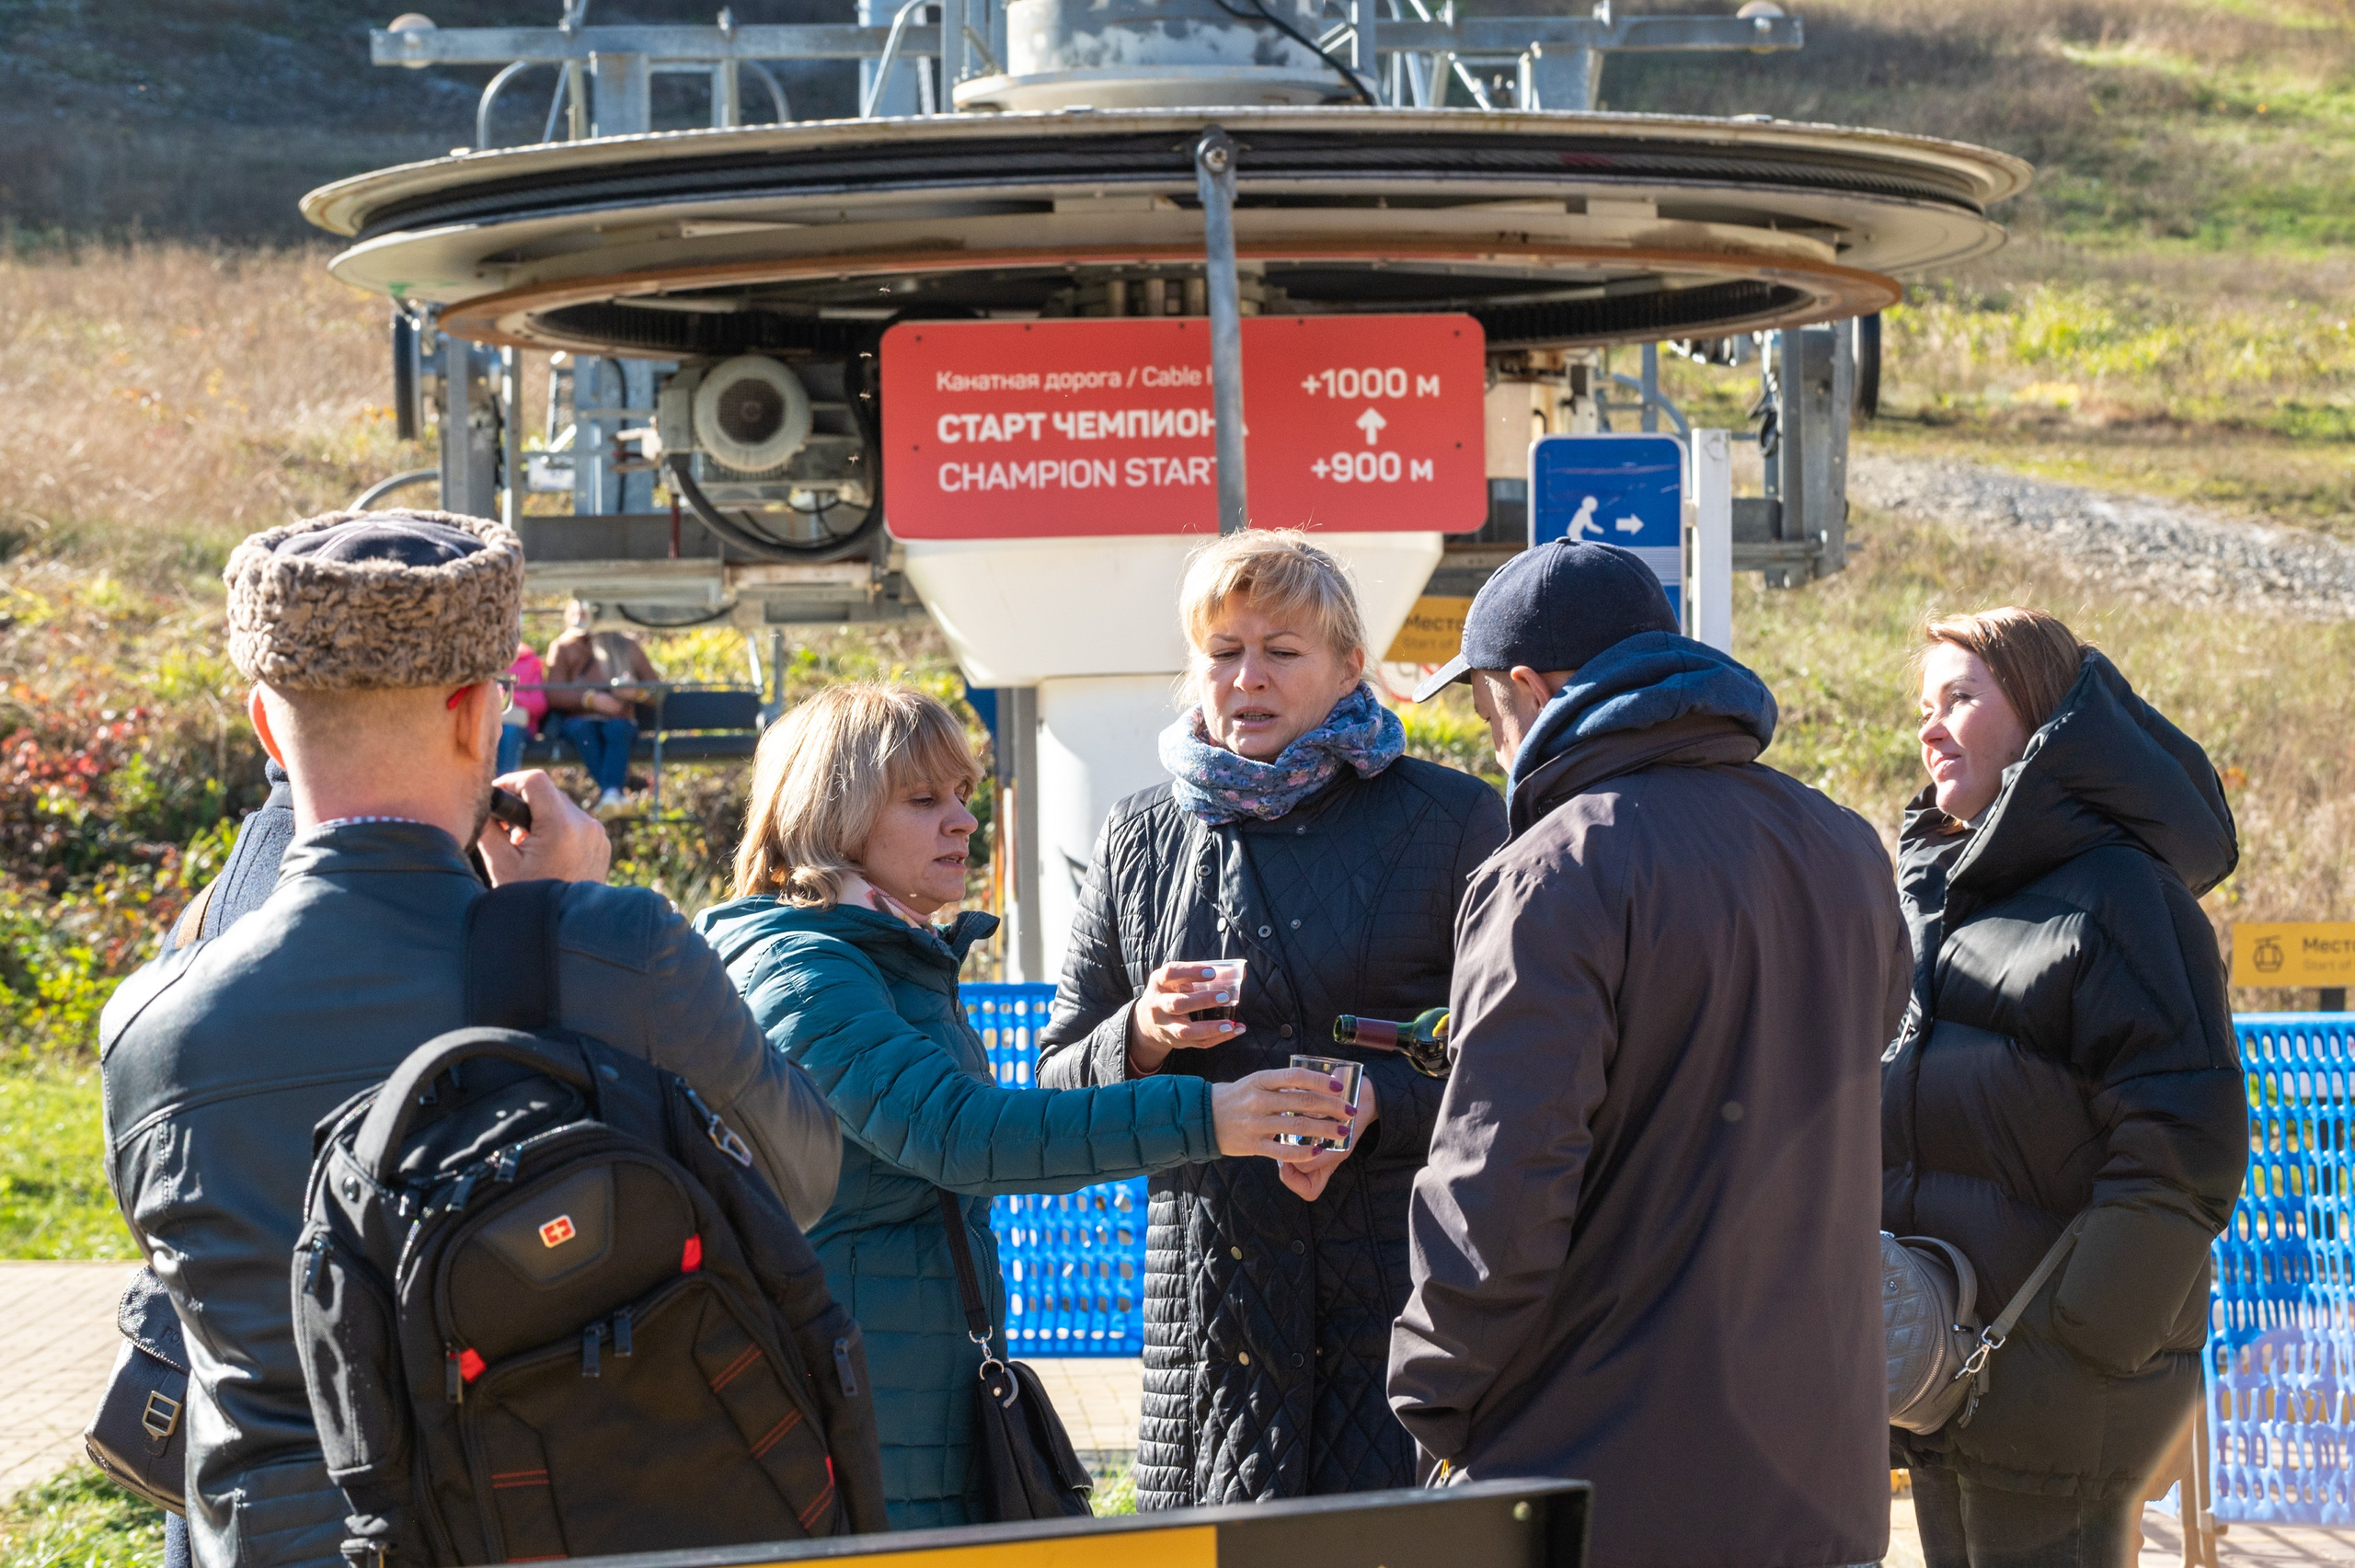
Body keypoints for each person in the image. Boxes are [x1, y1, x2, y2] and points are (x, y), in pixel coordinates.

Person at [100, 509, 843, 1568]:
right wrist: (564, 921)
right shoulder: (614, 949)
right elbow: (803, 1177)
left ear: (269, 728)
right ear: (477, 721)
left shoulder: (146, 1023)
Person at [694, 682, 1353, 1528]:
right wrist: (1211, 1115)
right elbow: (962, 1133)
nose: (963, 822)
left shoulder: (882, 954)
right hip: (857, 1424)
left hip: (897, 1407)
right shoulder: (803, 972)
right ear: (834, 814)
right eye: (924, 799)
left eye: (963, 796)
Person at [1387, 540, 1911, 1568]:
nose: (1493, 740)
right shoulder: (1844, 845)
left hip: (1604, 1467)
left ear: (1528, 690)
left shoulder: (1554, 867)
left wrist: (1432, 1388)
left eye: (1487, 710)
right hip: (1821, 1463)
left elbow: (1501, 1174)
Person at [1035, 530, 1507, 1509]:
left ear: (1348, 669)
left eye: (1282, 651)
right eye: (1223, 651)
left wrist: (1376, 1101)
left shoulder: (1455, 820)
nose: (1247, 677)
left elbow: (1514, 1067)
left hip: (1400, 1301)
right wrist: (1143, 1033)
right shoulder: (1140, 836)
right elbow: (1054, 1083)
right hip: (1210, 1318)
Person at [1888, 609, 2246, 1568]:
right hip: (1947, 1388)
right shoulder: (1941, 901)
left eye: (1960, 698)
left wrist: (2068, 1355)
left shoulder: (2124, 896)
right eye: (1924, 705)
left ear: (2042, 714)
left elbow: (2183, 1157)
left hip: (2056, 1407)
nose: (1929, 728)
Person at [545, 600, 661, 813]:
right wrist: (590, 700)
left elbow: (657, 691)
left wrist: (637, 692)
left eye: (586, 613)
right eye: (577, 613)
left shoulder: (626, 645)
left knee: (617, 730)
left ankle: (611, 793)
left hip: (620, 720)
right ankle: (614, 792)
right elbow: (554, 693)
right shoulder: (563, 647)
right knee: (584, 731)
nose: (581, 618)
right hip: (578, 721)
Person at [495, 637, 549, 776]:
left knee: (509, 732)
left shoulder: (530, 662)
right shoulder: (482, 658)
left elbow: (539, 704)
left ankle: (503, 785)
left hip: (518, 726)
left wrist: (512, 698)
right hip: (488, 722)